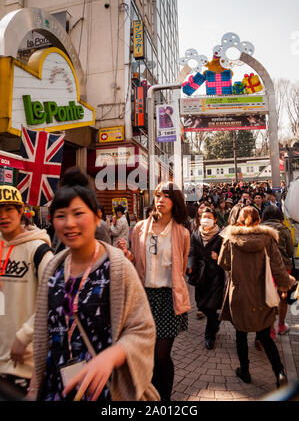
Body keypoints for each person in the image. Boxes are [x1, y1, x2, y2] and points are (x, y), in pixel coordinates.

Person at [31, 167, 159, 401]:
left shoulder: (118, 267)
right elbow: (43, 333)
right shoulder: (53, 268)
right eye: (60, 216)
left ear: (98, 216)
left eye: (78, 213)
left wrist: (112, 355)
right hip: (55, 387)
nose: (69, 223)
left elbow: (143, 329)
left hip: (106, 393)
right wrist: (34, 387)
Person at [121, 182, 190, 402]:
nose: (160, 200)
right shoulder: (141, 228)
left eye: (166, 196)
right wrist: (129, 258)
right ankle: (149, 396)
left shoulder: (182, 232)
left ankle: (165, 399)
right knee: (147, 354)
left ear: (175, 201)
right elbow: (136, 260)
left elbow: (182, 266)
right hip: (144, 297)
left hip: (169, 298)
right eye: (158, 195)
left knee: (161, 356)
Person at [218, 206, 296, 388]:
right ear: (258, 221)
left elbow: (223, 262)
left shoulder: (230, 238)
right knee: (265, 337)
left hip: (239, 295)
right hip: (262, 295)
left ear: (238, 221)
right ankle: (279, 373)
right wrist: (288, 283)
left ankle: (244, 371)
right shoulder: (268, 239)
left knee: (240, 335)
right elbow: (278, 268)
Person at [0, 185, 53, 398]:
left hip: (25, 364)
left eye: (9, 210)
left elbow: (51, 299)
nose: (3, 216)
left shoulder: (39, 251)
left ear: (21, 211)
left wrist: (24, 335)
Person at [188, 207, 225, 350]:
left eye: (209, 217)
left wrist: (219, 257)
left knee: (211, 306)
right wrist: (190, 266)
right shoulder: (195, 234)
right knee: (201, 304)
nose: (206, 219)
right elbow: (192, 253)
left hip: (215, 275)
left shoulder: (221, 235)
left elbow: (227, 255)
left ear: (215, 219)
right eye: (204, 216)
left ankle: (209, 336)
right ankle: (216, 322)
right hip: (200, 275)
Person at [262, 205, 294, 337]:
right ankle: (281, 325)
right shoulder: (284, 229)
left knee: (268, 296)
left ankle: (270, 329)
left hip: (266, 267)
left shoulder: (260, 229)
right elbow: (291, 251)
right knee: (283, 296)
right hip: (283, 267)